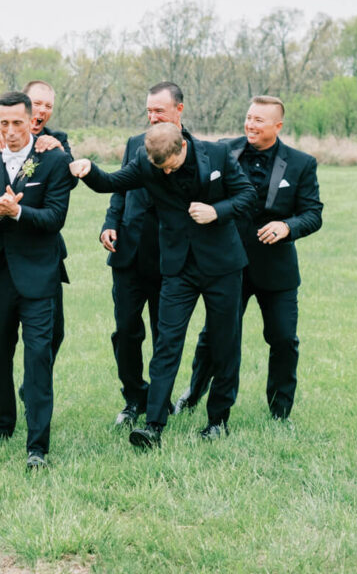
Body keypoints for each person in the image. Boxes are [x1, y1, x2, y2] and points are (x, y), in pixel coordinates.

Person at [71, 122, 256, 449]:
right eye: (161, 169)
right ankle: (153, 425)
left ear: (182, 147)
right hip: (177, 266)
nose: (167, 173)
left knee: (225, 342)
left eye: (171, 166)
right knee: (167, 341)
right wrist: (88, 170)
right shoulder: (145, 160)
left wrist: (216, 211)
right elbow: (112, 182)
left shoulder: (217, 154)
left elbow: (247, 195)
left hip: (222, 265)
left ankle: (217, 421)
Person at [174, 96, 323, 421]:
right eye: (249, 117)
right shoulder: (224, 149)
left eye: (259, 120)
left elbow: (313, 214)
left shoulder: (301, 162)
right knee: (213, 336)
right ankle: (193, 394)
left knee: (284, 338)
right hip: (226, 265)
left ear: (278, 126)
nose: (251, 124)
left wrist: (288, 226)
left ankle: (280, 410)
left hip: (276, 270)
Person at [0, 91, 74, 469]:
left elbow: (55, 217)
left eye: (17, 123)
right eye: (3, 123)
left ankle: (37, 446)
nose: (9, 131)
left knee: (38, 358)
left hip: (39, 275)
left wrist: (18, 211)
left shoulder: (54, 159)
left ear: (32, 121)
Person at [101, 82, 186, 427]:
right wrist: (110, 223)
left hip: (171, 259)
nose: (152, 117)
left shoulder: (194, 149)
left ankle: (160, 401)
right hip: (129, 254)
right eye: (149, 111)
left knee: (164, 335)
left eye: (159, 111)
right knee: (126, 332)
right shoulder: (136, 144)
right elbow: (120, 188)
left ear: (178, 110)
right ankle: (134, 397)